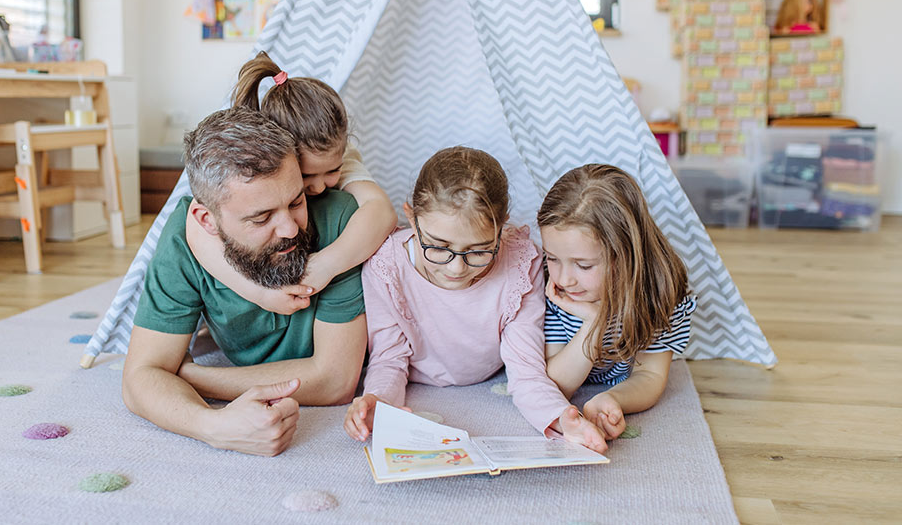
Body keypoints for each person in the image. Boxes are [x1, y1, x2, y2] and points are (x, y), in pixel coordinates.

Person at [123, 107, 368, 455]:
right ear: (206, 220)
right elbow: (140, 377)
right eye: (261, 217)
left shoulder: (341, 221)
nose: (290, 228)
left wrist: (195, 377)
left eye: (296, 201)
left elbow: (335, 380)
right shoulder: (183, 239)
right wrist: (212, 426)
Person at [343, 147, 607, 453]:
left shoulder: (521, 262)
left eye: (480, 251)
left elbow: (525, 367)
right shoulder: (386, 265)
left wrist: (561, 418)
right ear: (412, 219)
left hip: (490, 375)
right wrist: (378, 401)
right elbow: (389, 357)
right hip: (415, 380)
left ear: (502, 228)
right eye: (438, 247)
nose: (456, 268)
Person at [186, 51, 397, 315]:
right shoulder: (255, 163)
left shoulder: (337, 152)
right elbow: (196, 227)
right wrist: (259, 294)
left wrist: (326, 265)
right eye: (307, 176)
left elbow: (381, 210)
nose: (320, 187)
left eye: (333, 170)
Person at [539, 164, 697, 441]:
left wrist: (614, 398)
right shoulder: (551, 289)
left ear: (625, 255)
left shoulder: (659, 293)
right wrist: (594, 323)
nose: (564, 278)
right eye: (552, 257)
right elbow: (556, 384)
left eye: (583, 265)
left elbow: (649, 376)